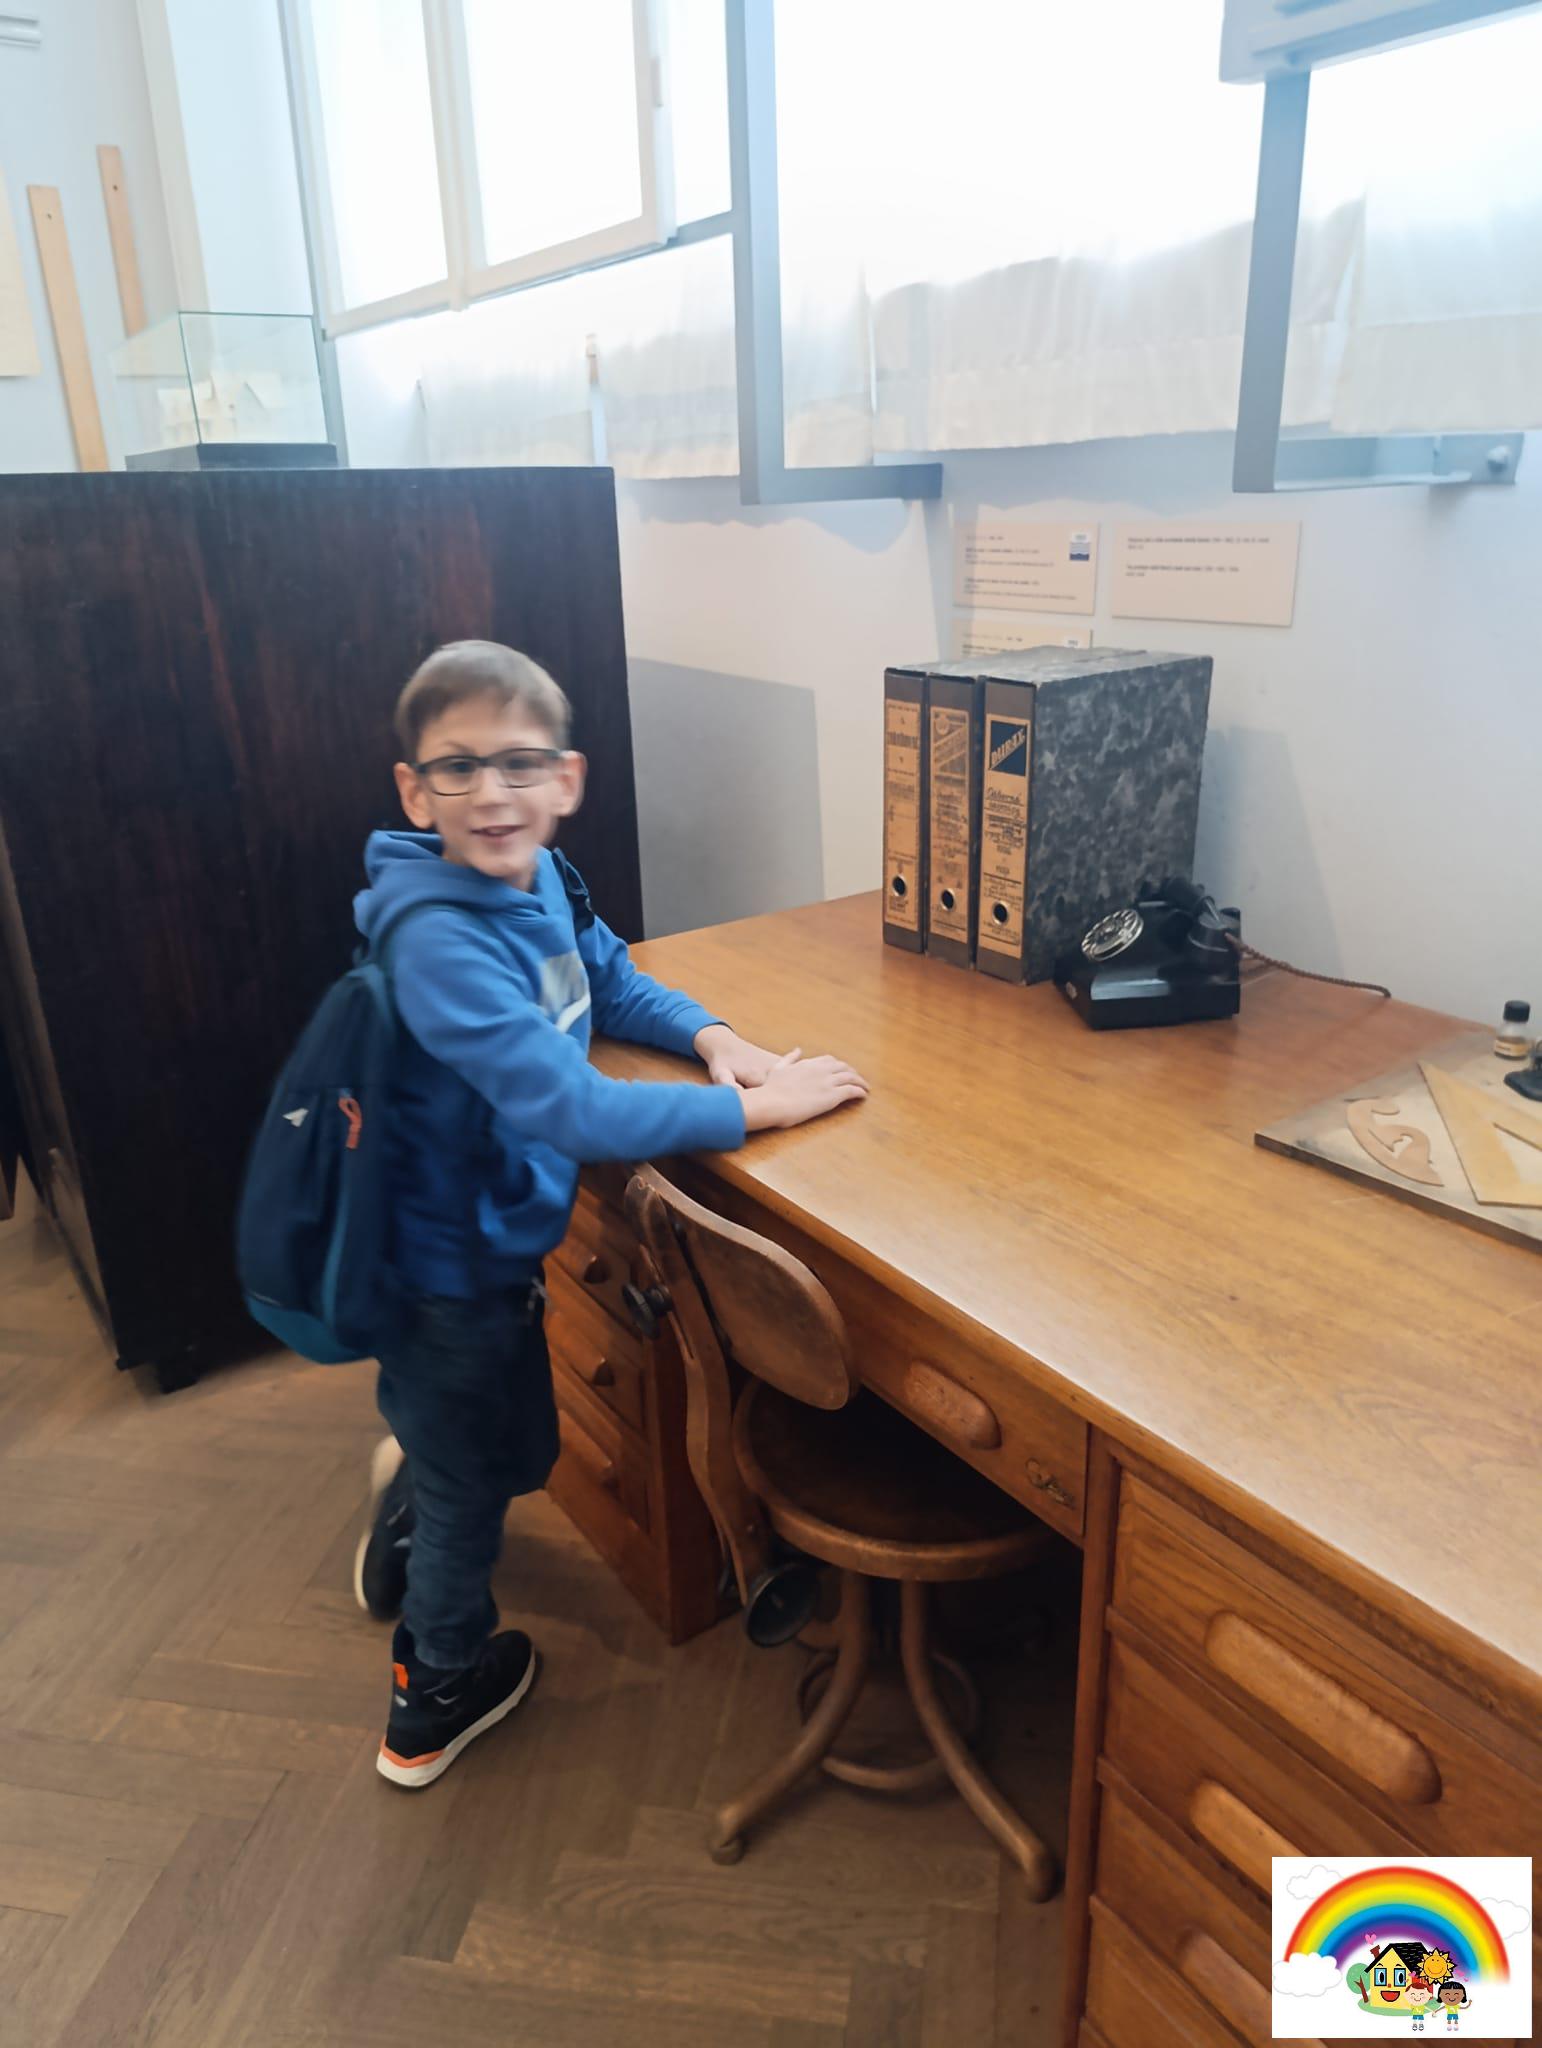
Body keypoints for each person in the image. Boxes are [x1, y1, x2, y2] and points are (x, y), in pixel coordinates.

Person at [351, 641, 868, 1787]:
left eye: (519, 763)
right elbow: (571, 1106)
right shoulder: (438, 940)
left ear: (566, 778)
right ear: (414, 790)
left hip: (493, 1251)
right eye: (458, 767)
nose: (493, 791)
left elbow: (609, 977)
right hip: (434, 1268)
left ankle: (416, 1483)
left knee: (506, 1447)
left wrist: (718, 1040)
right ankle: (432, 1689)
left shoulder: (539, 873)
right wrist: (756, 1112)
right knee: (477, 1485)